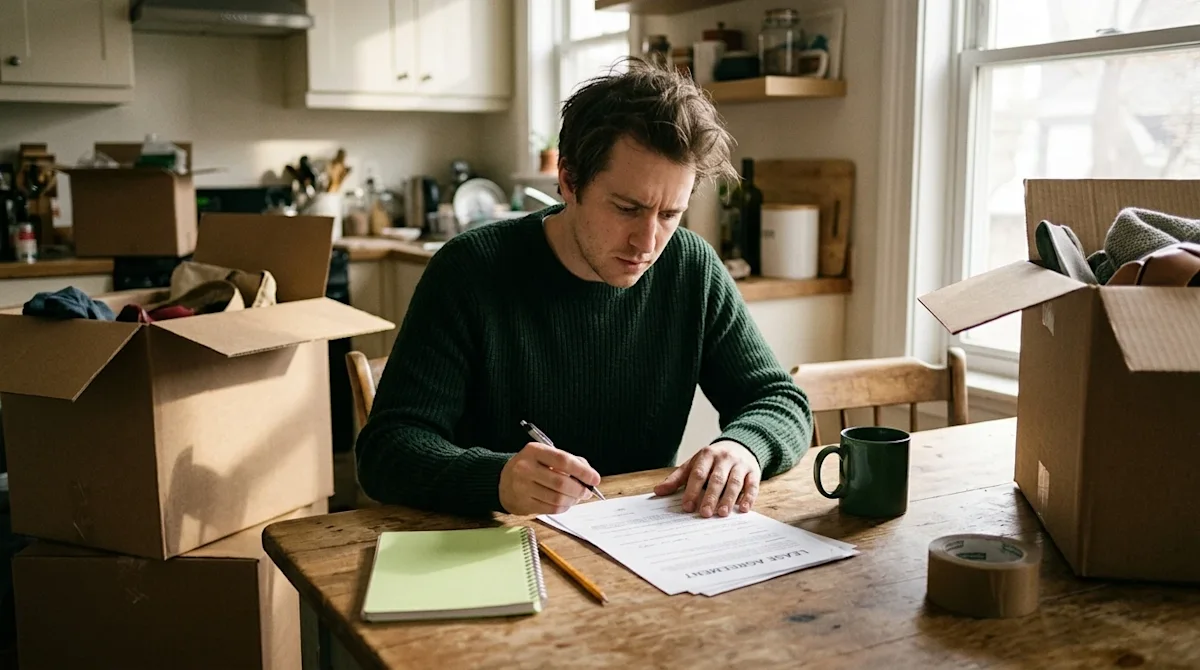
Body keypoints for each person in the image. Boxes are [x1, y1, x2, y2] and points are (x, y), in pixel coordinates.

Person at [355, 58, 813, 519]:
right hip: (496, 545)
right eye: (627, 208)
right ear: (569, 180)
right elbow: (387, 449)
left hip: (640, 549)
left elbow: (779, 400)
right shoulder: (468, 270)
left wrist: (743, 447)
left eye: (670, 215)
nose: (648, 242)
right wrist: (495, 480)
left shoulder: (691, 268)